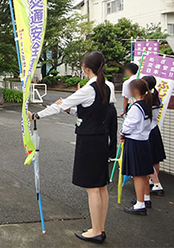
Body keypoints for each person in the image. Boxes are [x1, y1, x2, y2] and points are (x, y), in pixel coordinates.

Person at [28, 51, 110, 244]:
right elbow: (89, 111)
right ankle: (100, 228)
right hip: (101, 138)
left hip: (89, 140)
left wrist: (37, 116)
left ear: (86, 68)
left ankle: (96, 231)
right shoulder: (106, 86)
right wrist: (70, 109)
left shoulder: (89, 89)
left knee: (92, 188)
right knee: (101, 186)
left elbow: (59, 106)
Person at [120, 79, 154, 215]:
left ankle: (140, 205)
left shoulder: (136, 107)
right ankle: (145, 198)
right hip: (144, 141)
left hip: (135, 142)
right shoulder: (146, 103)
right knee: (143, 172)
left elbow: (129, 125)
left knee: (137, 174)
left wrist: (122, 133)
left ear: (135, 91)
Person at [142, 76, 165, 196]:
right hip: (155, 129)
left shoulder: (145, 99)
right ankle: (153, 181)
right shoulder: (157, 97)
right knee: (155, 159)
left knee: (148, 160)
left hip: (147, 131)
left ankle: (157, 184)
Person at [105, 80, 118, 159]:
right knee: (113, 131)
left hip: (104, 107)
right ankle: (112, 154)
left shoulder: (96, 84)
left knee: (104, 131)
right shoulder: (110, 83)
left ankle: (105, 154)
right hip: (112, 107)